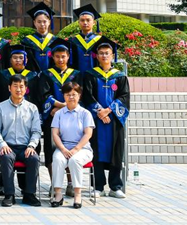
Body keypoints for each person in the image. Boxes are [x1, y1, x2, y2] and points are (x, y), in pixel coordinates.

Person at [81, 36, 130, 198]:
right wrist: (99, 111)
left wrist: (108, 110)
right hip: (96, 120)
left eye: (107, 53)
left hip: (114, 120)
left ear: (112, 55)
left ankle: (115, 186)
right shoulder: (90, 75)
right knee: (96, 151)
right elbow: (87, 96)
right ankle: (98, 186)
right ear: (96, 56)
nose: (104, 56)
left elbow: (124, 97)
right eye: (101, 53)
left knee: (116, 151)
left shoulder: (120, 76)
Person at [0, 74, 43, 207]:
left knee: (34, 159)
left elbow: (36, 131)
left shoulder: (32, 108)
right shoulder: (0, 107)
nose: (18, 89)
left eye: (21, 86)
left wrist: (31, 146)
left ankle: (29, 194)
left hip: (26, 146)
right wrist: (2, 145)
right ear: (9, 88)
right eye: (15, 86)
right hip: (8, 146)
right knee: (6, 157)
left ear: (26, 89)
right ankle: (9, 195)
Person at [41, 38, 80, 188]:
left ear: (68, 57)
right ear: (52, 57)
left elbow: (79, 95)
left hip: (72, 118)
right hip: (51, 117)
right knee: (51, 150)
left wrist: (63, 108)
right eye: (57, 56)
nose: (60, 59)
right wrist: (60, 105)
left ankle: (70, 183)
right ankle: (54, 183)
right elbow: (44, 94)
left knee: (70, 149)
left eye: (63, 56)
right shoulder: (46, 75)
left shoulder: (76, 74)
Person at [50, 81, 95, 209]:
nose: (71, 97)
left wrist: (76, 149)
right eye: (68, 94)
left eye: (74, 94)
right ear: (64, 96)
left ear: (79, 95)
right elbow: (55, 134)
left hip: (82, 149)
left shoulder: (85, 113)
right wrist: (63, 149)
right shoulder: (59, 114)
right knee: (58, 159)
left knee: (75, 160)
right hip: (63, 147)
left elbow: (88, 134)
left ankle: (77, 194)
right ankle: (58, 194)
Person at [22, 2, 57, 73]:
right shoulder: (27, 41)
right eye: (39, 22)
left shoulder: (55, 40)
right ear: (34, 23)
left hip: (51, 75)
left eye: (44, 21)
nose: (42, 24)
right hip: (33, 75)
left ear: (49, 22)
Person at [70, 4, 101, 74]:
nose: (85, 23)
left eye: (88, 20)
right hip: (77, 77)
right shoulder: (73, 41)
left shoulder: (99, 40)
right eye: (82, 20)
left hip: (95, 77)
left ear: (94, 22)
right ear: (78, 22)